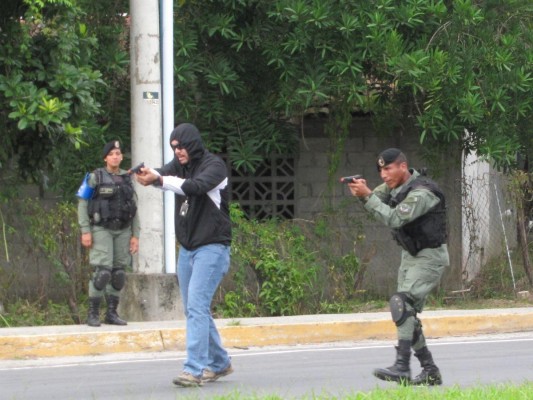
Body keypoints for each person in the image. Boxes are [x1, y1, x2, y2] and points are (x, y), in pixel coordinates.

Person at [135, 123, 233, 388]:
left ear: (194, 144)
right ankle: (220, 363)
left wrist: (160, 180)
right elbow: (164, 173)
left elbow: (194, 187)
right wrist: (149, 173)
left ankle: (194, 369)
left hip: (212, 248)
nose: (178, 152)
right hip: (188, 249)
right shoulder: (180, 165)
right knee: (195, 310)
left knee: (197, 307)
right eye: (174, 148)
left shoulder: (214, 166)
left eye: (182, 147)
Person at [346, 148, 449, 386]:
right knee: (405, 314)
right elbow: (376, 200)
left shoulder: (423, 192)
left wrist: (367, 197)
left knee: (402, 304)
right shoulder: (395, 186)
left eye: (388, 168)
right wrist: (362, 192)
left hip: (429, 256)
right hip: (410, 255)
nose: (383, 174)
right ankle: (430, 370)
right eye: (380, 169)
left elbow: (393, 218)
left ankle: (402, 366)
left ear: (403, 166)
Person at [77, 140, 140, 327]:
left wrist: (135, 235)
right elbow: (82, 203)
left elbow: (134, 208)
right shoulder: (95, 177)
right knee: (103, 272)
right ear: (105, 157)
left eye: (118, 153)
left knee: (118, 273)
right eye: (111, 153)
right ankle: (93, 313)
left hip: (123, 229)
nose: (115, 156)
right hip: (101, 229)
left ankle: (111, 313)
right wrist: (85, 230)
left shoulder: (127, 178)